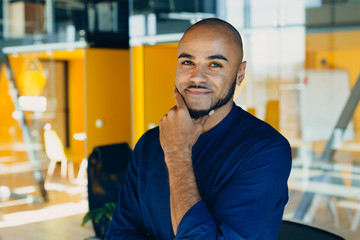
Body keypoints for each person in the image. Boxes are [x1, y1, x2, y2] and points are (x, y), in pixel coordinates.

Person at [106, 18, 292, 240]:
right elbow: (120, 234)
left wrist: (177, 154)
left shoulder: (266, 150)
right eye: (187, 62)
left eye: (215, 64)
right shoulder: (149, 143)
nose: (197, 77)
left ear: (240, 74)